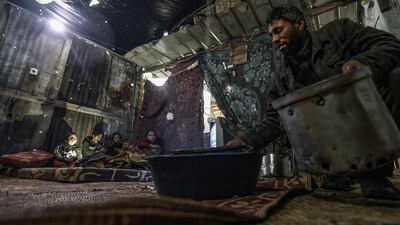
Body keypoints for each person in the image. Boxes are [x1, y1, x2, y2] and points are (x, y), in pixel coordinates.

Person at [227, 6, 400, 199]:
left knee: (395, 77)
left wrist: (363, 63)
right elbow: (276, 119)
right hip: (326, 144)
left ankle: (374, 178)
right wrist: (245, 141)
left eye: (278, 31)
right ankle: (335, 173)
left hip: (359, 121)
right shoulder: (282, 76)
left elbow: (390, 44)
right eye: (271, 35)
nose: (275, 40)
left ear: (299, 24)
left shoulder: (339, 33)